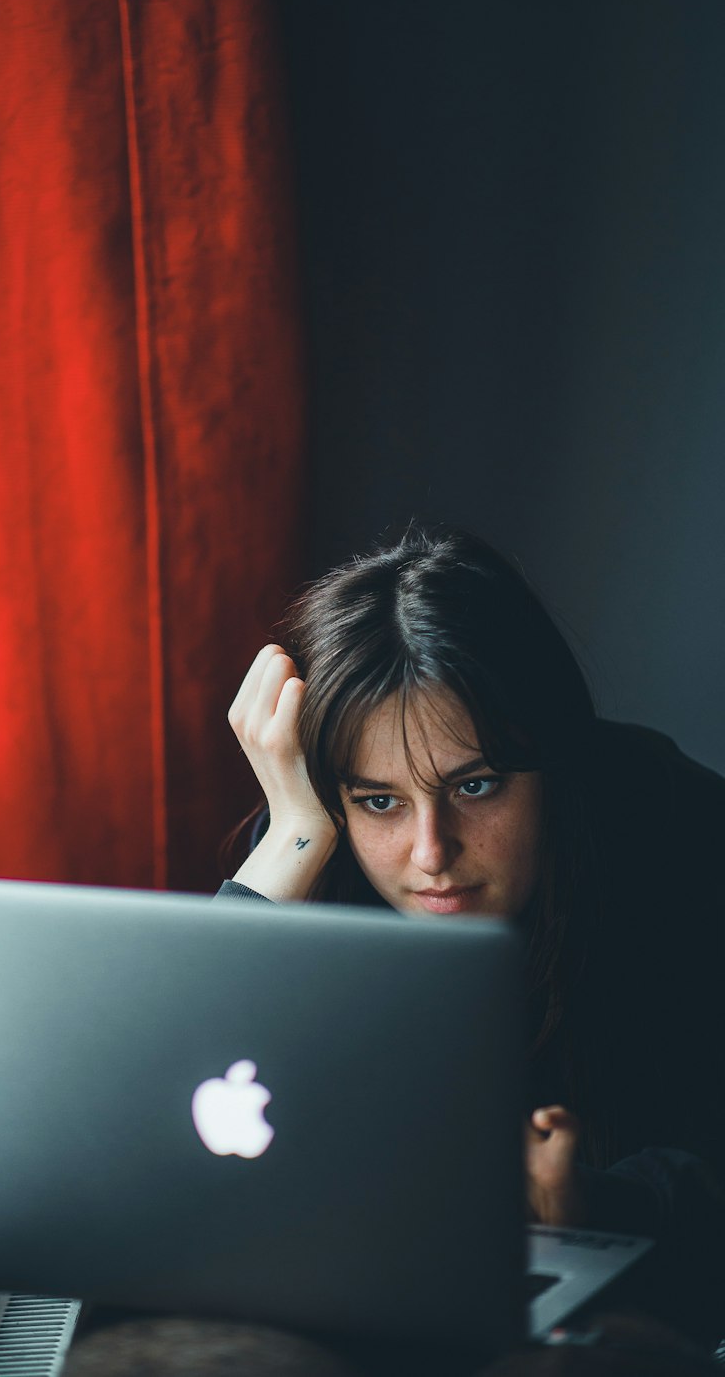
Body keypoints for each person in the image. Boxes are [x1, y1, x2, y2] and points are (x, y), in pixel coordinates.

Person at [219, 524, 725, 1356]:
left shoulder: (675, 836)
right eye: (378, 800)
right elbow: (181, 1096)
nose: (431, 854)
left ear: (555, 766)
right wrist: (290, 837)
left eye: (475, 785)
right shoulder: (316, 855)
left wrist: (600, 1205)